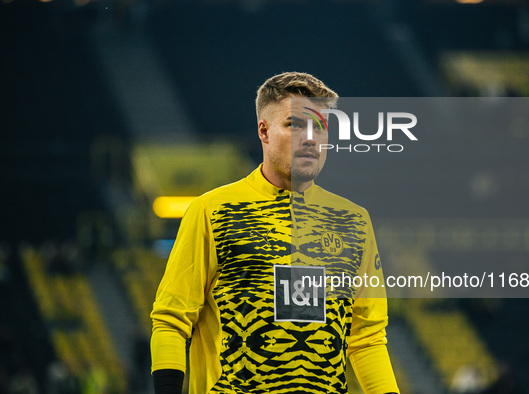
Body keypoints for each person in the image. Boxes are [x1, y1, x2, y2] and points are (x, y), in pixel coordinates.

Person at [151, 72, 399, 393]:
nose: (310, 138)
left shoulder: (353, 221)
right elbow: (171, 321)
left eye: (320, 126)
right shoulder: (212, 211)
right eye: (295, 124)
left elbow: (366, 338)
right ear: (264, 131)